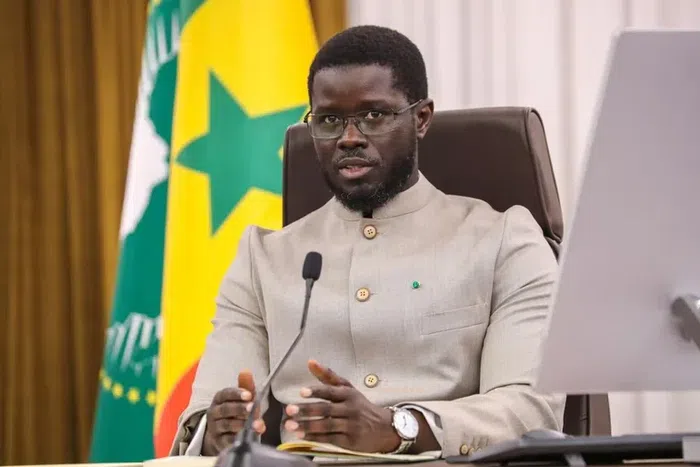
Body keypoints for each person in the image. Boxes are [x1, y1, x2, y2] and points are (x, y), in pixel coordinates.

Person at [171, 24, 565, 458]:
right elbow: (208, 412)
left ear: (421, 118)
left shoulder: (504, 239)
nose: (349, 138)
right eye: (329, 120)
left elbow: (531, 409)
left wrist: (399, 428)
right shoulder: (263, 258)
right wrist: (216, 431)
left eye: (374, 115)